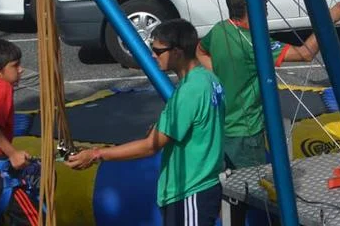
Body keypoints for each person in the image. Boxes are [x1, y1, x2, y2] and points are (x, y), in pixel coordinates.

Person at [68, 20, 225, 226]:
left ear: (177, 52)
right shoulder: (210, 79)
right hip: (204, 186)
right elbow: (200, 125)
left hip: (189, 190)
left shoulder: (188, 92)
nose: (153, 55)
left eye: (158, 51)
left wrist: (96, 154)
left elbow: (151, 146)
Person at [197, 0, 340, 170]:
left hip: (222, 126)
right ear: (251, 7)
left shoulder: (219, 29)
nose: (267, 3)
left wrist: (220, 75)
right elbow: (305, 53)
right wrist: (328, 19)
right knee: (252, 182)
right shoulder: (254, 43)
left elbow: (200, 51)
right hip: (246, 132)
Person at [0, 40, 39, 226]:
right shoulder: (0, 86)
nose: (21, 70)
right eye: (15, 65)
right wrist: (12, 153)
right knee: (35, 220)